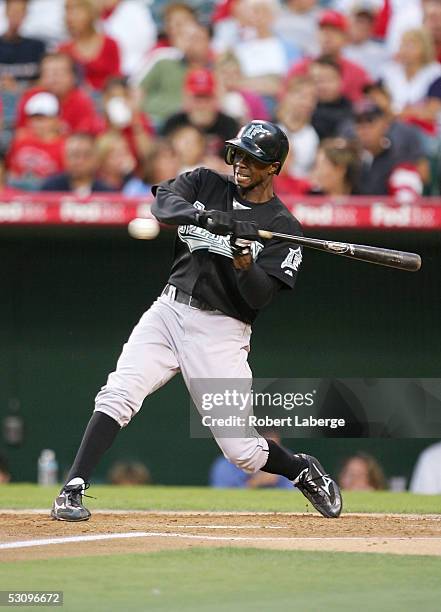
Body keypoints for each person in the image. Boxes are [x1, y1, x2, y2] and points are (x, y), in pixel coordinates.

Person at [50, 120, 342, 521]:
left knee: (242, 451)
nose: (240, 163)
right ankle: (73, 487)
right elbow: (163, 205)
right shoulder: (207, 182)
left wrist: (243, 256)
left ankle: (301, 470)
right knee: (119, 392)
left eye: (251, 158)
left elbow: (259, 296)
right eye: (237, 154)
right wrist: (206, 219)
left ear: (273, 167)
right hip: (169, 310)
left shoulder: (282, 227)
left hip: (221, 330)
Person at [287, 9, 371, 102]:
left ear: (346, 37)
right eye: (323, 30)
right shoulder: (300, 68)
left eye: (334, 31)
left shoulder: (357, 73)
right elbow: (284, 100)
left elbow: (364, 106)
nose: (327, 35)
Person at [352, 98, 427, 198]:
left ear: (385, 125)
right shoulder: (350, 158)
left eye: (370, 122)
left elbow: (407, 200)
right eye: (359, 123)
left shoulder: (399, 158)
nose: (364, 130)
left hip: (388, 212)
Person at [16, 52, 103, 135]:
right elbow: (21, 133)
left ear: (73, 77)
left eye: (59, 73)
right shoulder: (31, 98)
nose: (54, 79)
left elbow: (84, 138)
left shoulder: (82, 102)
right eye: (48, 73)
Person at [161, 68, 239, 158]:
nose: (202, 105)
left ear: (215, 99)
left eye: (207, 97)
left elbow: (237, 161)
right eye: (197, 98)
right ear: (186, 99)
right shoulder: (173, 124)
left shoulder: (229, 125)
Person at [6, 91, 65, 190]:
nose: (37, 124)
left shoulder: (64, 147)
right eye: (34, 119)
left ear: (56, 119)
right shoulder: (20, 142)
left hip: (48, 196)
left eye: (42, 119)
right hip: (19, 195)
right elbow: (12, 173)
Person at [58, 0, 121, 91]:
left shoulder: (110, 44)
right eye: (68, 10)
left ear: (91, 12)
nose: (70, 17)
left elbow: (117, 80)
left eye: (77, 10)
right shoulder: (63, 50)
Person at [210, 430, 293, 488]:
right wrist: (255, 483)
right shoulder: (225, 465)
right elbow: (221, 498)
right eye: (268, 449)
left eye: (276, 449)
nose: (272, 455)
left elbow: (295, 495)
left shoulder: (286, 459)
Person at [98, 0, 157, 78]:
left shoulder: (134, 9)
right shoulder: (96, 17)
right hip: (111, 76)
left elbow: (148, 41)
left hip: (139, 70)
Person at [41, 132, 114, 194]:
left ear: (96, 160)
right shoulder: (50, 189)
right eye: (74, 155)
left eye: (86, 155)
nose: (80, 161)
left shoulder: (107, 193)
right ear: (65, 157)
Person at [276, 75, 319, 177]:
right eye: (302, 96)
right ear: (288, 95)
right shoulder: (271, 127)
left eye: (313, 98)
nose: (308, 103)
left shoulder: (316, 132)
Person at [0, 0, 46, 91]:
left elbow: (46, 80)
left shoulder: (37, 47)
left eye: (20, 12)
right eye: (13, 11)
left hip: (28, 98)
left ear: (25, 15)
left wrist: (20, 87)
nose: (16, 16)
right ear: (6, 12)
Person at [309, 56, 353, 140]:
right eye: (316, 80)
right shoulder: (304, 111)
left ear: (340, 81)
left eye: (328, 80)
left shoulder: (351, 111)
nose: (322, 86)